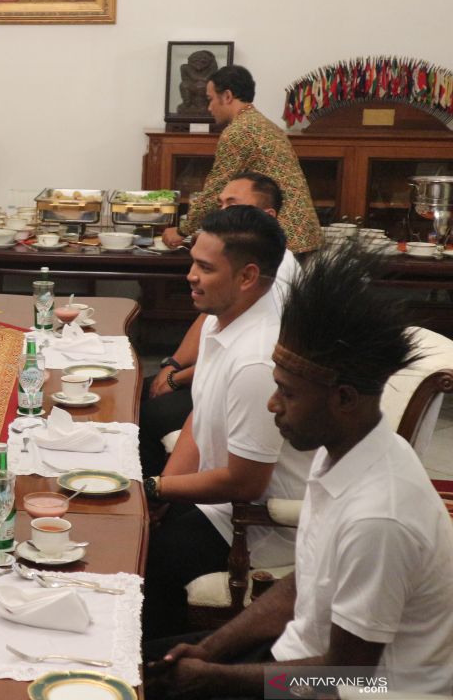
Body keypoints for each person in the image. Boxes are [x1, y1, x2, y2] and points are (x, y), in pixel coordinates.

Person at [146, 242, 453, 698]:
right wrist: (208, 650)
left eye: (287, 393)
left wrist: (213, 678)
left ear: (344, 399)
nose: (272, 405)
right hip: (296, 658)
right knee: (134, 665)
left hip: (356, 689)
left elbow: (349, 678)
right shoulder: (344, 452)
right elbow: (302, 586)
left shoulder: (379, 519)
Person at [142, 206, 311, 640]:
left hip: (255, 527)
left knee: (143, 559)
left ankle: (154, 669)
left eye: (204, 267)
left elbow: (245, 483)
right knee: (136, 527)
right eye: (192, 263)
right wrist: (160, 493)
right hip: (219, 506)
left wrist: (152, 489)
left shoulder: (258, 358)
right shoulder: (224, 325)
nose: (190, 276)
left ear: (247, 277)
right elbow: (202, 414)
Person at [140, 172, 299, 475]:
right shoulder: (227, 301)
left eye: (234, 204)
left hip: (234, 512)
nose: (224, 212)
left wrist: (176, 379)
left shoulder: (273, 282)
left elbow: (244, 482)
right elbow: (208, 323)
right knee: (138, 390)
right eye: (222, 203)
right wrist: (173, 363)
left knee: (147, 412)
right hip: (212, 404)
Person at [161, 65, 322, 254]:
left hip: (283, 236)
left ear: (227, 96)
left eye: (210, 99)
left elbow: (217, 188)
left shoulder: (239, 131)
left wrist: (182, 230)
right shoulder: (264, 124)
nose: (209, 107)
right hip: (304, 232)